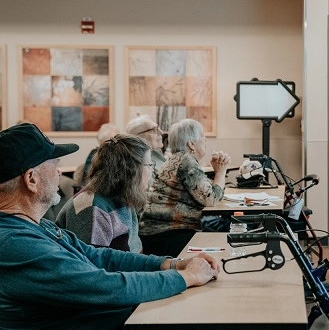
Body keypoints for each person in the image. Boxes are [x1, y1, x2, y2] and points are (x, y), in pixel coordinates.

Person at [0, 123, 221, 329]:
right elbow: (102, 285)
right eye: (54, 166)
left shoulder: (39, 226)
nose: (59, 172)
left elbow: (101, 257)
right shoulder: (15, 243)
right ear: (31, 179)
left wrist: (175, 265)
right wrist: (186, 277)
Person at [139, 118, 231, 257]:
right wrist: (221, 171)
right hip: (166, 235)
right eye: (202, 136)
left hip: (157, 234)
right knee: (224, 238)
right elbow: (211, 199)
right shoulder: (185, 161)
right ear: (192, 144)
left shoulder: (176, 158)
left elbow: (204, 191)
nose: (205, 140)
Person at [56, 133, 153, 253]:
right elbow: (93, 264)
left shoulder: (124, 195)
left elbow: (135, 249)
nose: (152, 170)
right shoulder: (92, 208)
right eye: (149, 165)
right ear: (132, 170)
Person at [75, 122, 120, 187]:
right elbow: (90, 178)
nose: (117, 143)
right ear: (104, 141)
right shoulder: (94, 154)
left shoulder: (116, 154)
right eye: (114, 140)